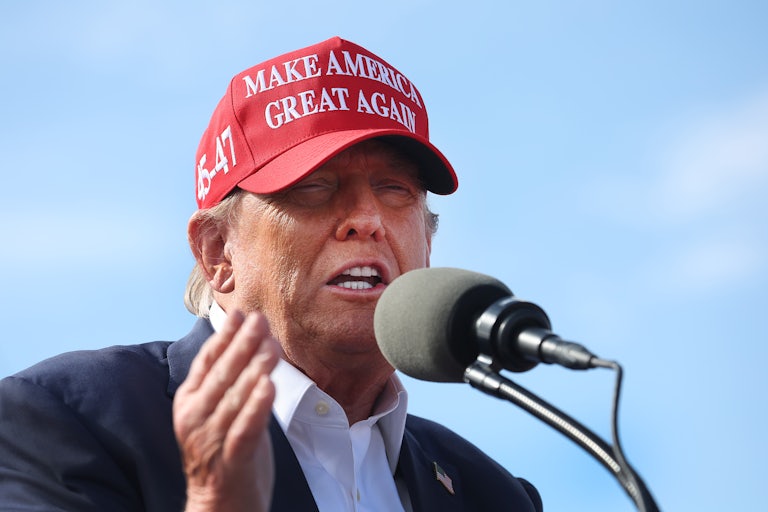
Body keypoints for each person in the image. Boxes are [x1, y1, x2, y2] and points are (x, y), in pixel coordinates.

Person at [0, 36, 542, 512]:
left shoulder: (492, 494)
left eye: (395, 189)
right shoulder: (60, 420)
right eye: (313, 187)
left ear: (428, 243)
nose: (367, 221)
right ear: (218, 251)